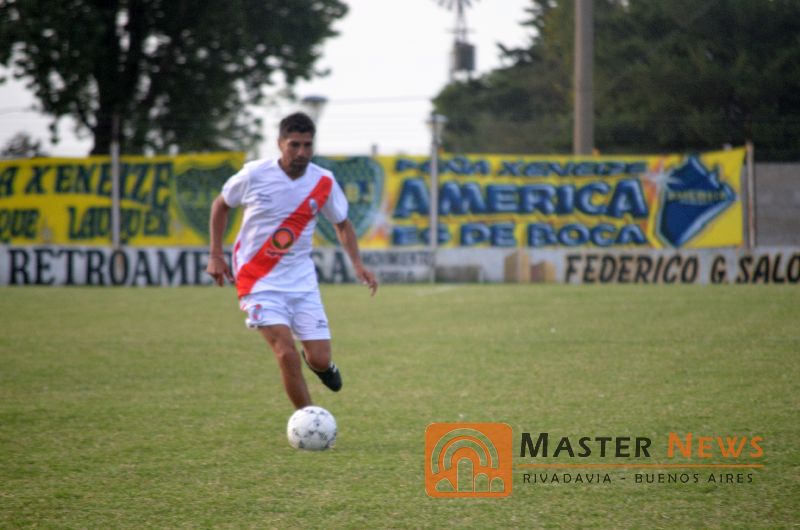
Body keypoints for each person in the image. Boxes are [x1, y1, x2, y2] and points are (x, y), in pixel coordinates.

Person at [206, 112, 378, 409]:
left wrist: (358, 264)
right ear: (280, 144)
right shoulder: (254, 174)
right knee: (285, 353)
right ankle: (308, 420)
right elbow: (221, 205)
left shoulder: (323, 181)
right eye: (294, 145)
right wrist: (215, 255)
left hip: (301, 282)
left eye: (307, 145)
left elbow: (342, 223)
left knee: (319, 358)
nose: (301, 152)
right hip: (257, 280)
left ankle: (321, 367)